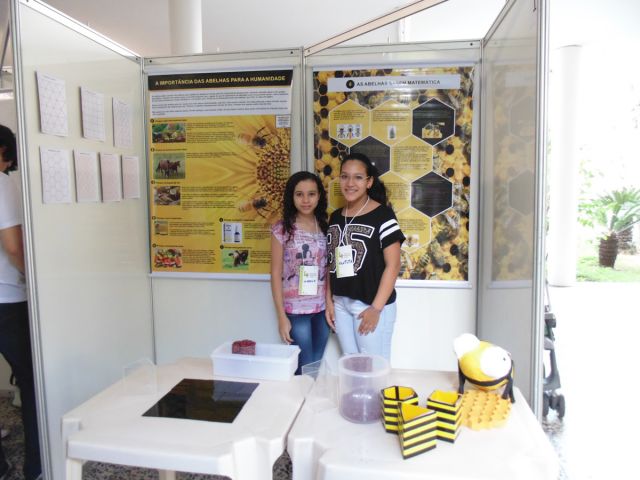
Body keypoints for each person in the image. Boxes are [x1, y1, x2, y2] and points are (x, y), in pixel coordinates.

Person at [325, 152, 405, 361]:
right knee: (351, 363)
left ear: (369, 182)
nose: (350, 183)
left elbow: (393, 265)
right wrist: (330, 301)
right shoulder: (335, 217)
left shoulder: (383, 215)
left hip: (370, 304)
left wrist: (376, 309)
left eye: (358, 177)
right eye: (345, 176)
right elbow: (331, 263)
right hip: (341, 302)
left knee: (374, 366)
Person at [0, 125, 42, 480]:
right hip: (7, 300)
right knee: (32, 381)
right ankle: (38, 465)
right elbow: (13, 246)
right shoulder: (2, 184)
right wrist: (37, 280)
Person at [270, 171, 330, 375]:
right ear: (291, 196)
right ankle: (301, 397)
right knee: (304, 369)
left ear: (319, 196)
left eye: (311, 194)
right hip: (296, 312)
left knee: (314, 367)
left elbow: (329, 268)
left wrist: (329, 305)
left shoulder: (325, 226)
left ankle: (309, 397)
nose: (306, 200)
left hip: (322, 310)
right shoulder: (282, 229)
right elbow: (275, 274)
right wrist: (281, 317)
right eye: (299, 194)